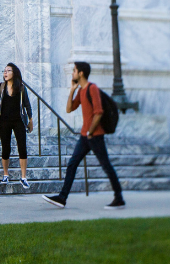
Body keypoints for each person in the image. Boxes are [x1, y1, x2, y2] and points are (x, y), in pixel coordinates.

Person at [42, 62, 125, 209]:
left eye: (74, 70)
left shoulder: (92, 88)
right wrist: (72, 90)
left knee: (106, 166)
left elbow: (99, 112)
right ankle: (62, 198)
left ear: (81, 73)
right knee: (72, 164)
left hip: (95, 135)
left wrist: (91, 132)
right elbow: (69, 109)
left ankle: (119, 198)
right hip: (85, 136)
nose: (72, 73)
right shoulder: (81, 91)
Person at [0, 62, 33, 188]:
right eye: (4, 71)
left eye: (8, 70)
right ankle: (5, 175)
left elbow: (27, 104)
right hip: (4, 121)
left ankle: (23, 177)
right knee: (6, 148)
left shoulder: (20, 87)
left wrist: (30, 119)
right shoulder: (1, 87)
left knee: (22, 147)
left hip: (18, 120)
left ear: (14, 73)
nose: (5, 73)